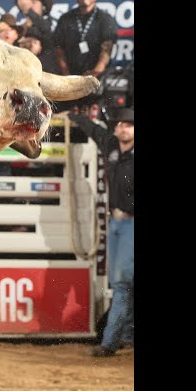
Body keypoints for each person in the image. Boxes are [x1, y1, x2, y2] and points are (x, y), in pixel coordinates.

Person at [69, 106, 134, 357]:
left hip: (128, 223)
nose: (122, 128)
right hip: (118, 222)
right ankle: (124, 335)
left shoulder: (116, 149)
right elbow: (94, 130)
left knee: (120, 283)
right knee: (123, 282)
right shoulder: (112, 146)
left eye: (127, 125)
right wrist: (74, 117)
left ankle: (109, 342)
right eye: (120, 125)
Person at [54, 0, 117, 88]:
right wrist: (66, 74)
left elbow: (107, 49)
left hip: (98, 77)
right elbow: (58, 48)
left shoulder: (105, 18)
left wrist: (96, 73)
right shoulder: (65, 19)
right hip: (70, 77)